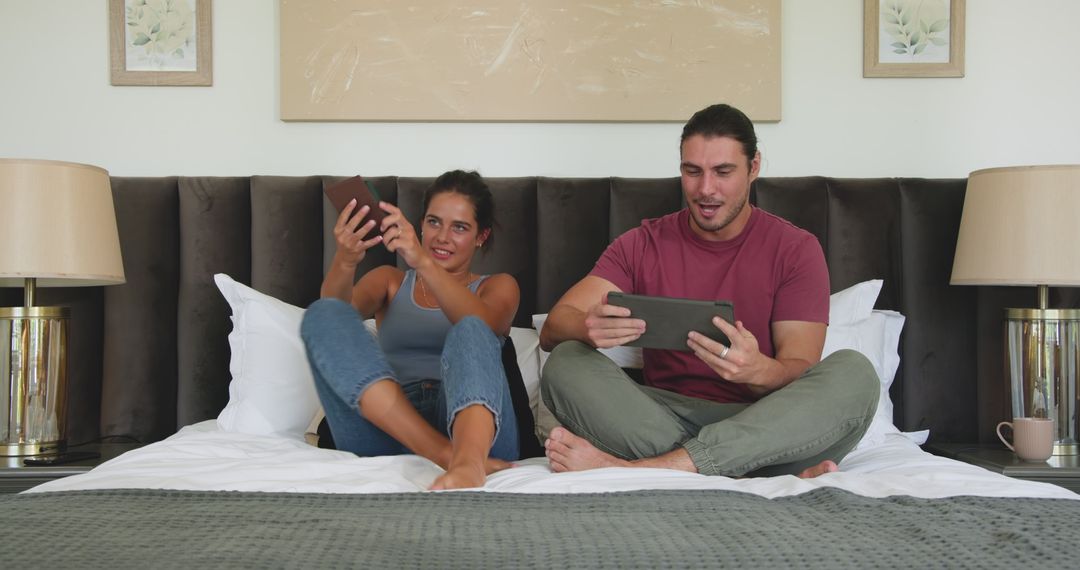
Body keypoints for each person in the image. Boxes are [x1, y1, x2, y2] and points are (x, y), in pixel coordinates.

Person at [539, 104, 879, 479]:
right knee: (566, 361)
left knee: (856, 374)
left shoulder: (795, 249)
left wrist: (758, 370)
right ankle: (737, 472)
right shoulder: (641, 244)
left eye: (723, 172)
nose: (705, 189)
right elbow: (554, 327)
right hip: (657, 417)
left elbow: (799, 367)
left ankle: (646, 469)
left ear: (754, 168)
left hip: (763, 423)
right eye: (692, 171)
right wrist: (586, 327)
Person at [301, 170, 521, 490]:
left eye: (459, 227)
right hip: (389, 428)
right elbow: (335, 325)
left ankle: (467, 461)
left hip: (475, 432)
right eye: (433, 222)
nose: (442, 237)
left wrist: (422, 261)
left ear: (481, 236)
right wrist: (346, 260)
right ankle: (445, 455)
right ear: (420, 225)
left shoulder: (499, 286)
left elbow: (486, 325)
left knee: (471, 329)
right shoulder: (390, 281)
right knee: (321, 314)